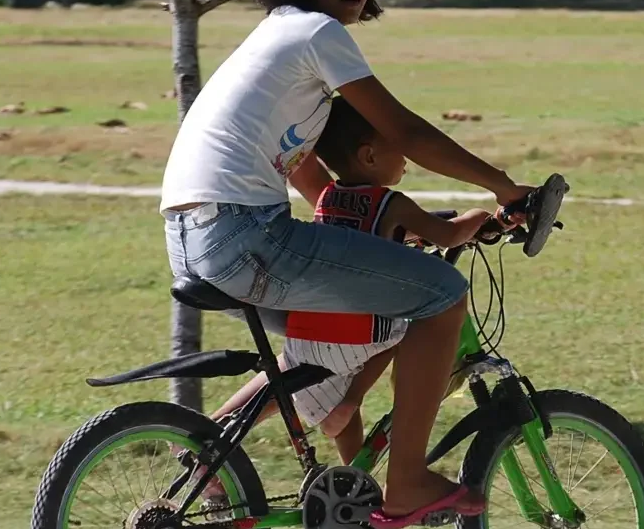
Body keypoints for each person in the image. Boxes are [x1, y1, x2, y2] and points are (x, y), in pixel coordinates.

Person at [160, 0, 534, 529]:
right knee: (442, 296)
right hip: (244, 233)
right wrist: (504, 187)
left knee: (346, 324)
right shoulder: (314, 33)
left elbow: (307, 174)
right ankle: (407, 481)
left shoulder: (277, 38)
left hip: (202, 235)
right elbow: (404, 133)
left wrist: (372, 231)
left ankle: (217, 450)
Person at [200, 96, 492, 469]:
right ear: (369, 156)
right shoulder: (393, 203)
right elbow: (447, 236)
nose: (406, 160)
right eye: (399, 150)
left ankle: (355, 482)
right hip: (356, 336)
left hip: (310, 331)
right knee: (410, 328)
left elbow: (359, 240)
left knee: (330, 375)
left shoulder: (327, 197)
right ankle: (351, 401)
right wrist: (479, 216)